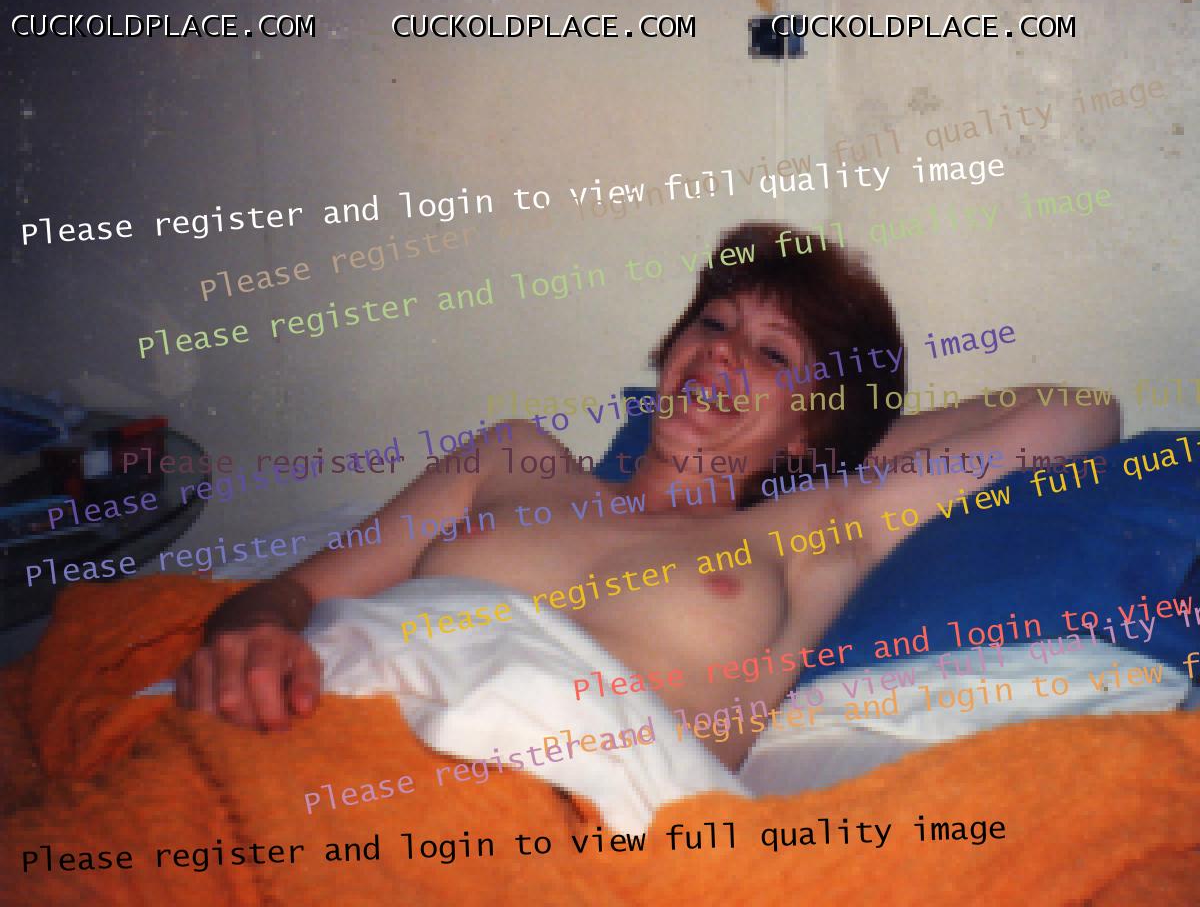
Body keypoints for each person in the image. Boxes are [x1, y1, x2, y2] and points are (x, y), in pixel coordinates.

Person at [176, 223, 1120, 770]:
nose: (721, 353)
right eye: (712, 324)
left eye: (771, 353)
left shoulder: (811, 530)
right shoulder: (515, 459)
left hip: (550, 815)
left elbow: (1077, 414)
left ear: (815, 421)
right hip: (322, 730)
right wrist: (250, 634)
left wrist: (833, 438)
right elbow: (288, 594)